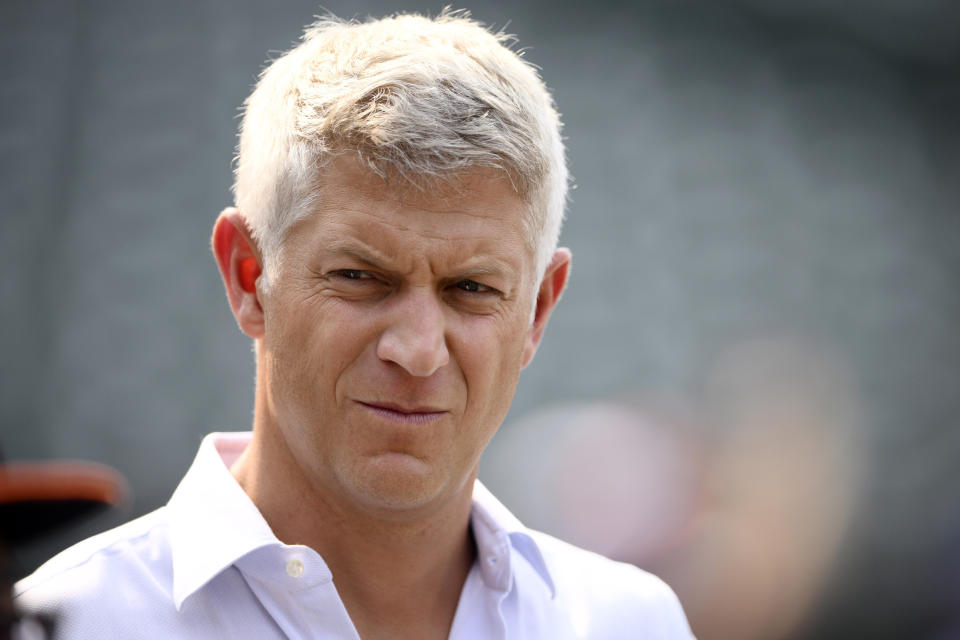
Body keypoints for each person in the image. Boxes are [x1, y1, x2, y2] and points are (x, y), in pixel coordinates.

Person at [15, 10, 694, 639]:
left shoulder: (631, 623)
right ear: (249, 277)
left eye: (471, 289)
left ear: (538, 310)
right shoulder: (74, 622)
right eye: (361, 277)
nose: (418, 350)